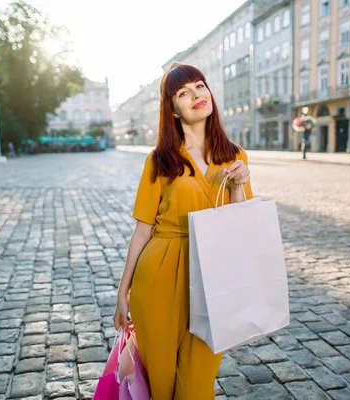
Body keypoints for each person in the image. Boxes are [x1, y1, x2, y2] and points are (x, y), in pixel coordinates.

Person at [113, 62, 253, 399]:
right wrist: (123, 291)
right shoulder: (160, 159)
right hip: (160, 275)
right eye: (183, 93)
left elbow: (240, 227)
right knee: (160, 383)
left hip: (213, 276)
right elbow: (143, 230)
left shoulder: (235, 157)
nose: (196, 96)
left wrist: (239, 186)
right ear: (173, 109)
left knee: (197, 384)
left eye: (200, 86)